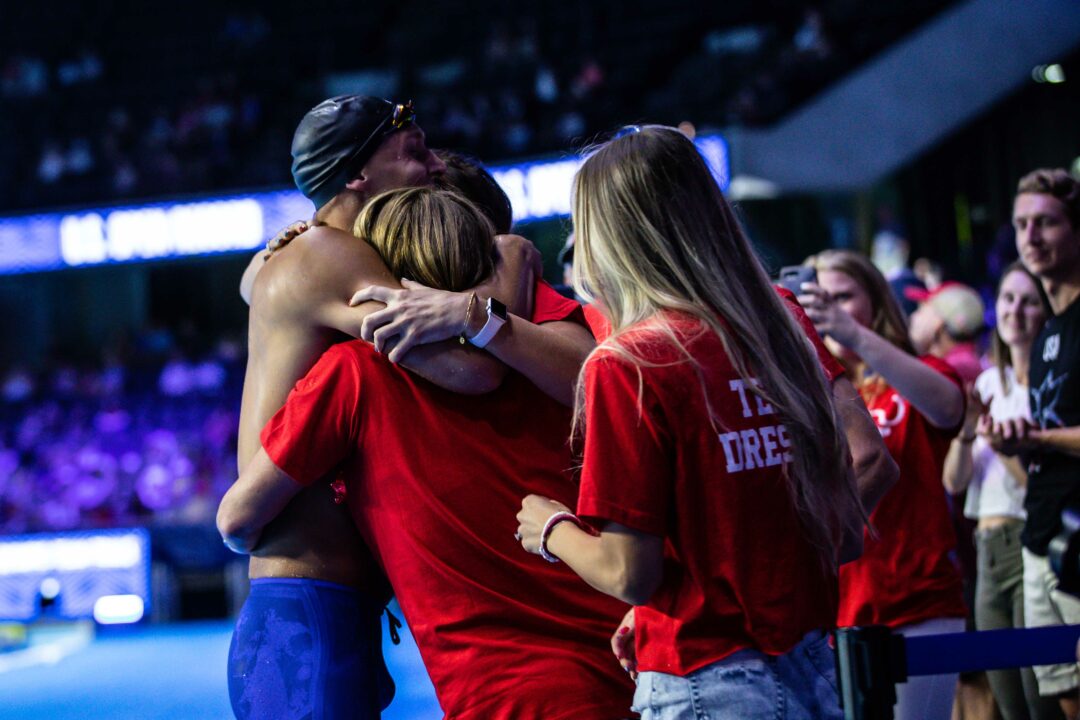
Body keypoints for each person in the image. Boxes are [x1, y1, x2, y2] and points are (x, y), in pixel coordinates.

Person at [229, 95, 591, 719]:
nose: (431, 166)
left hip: (319, 609)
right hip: (308, 607)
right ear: (354, 176)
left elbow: (255, 279)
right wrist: (508, 264)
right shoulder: (327, 256)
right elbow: (472, 368)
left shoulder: (304, 253)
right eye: (414, 152)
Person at [516, 125, 865, 719]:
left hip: (706, 679)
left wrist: (552, 530)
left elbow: (630, 572)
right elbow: (843, 524)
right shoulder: (776, 333)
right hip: (814, 665)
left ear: (613, 236)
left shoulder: (629, 363)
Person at [801, 249, 968, 720]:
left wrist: (852, 333)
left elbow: (948, 408)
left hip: (918, 598)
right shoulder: (809, 392)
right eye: (818, 298)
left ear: (875, 299)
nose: (828, 308)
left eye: (843, 297)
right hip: (834, 610)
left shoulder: (920, 372)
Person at [942, 261, 1059, 720]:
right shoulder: (989, 382)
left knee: (1041, 698)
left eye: (1029, 300)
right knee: (1008, 702)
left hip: (1030, 546)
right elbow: (954, 481)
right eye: (1009, 299)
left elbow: (1046, 491)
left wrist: (1005, 448)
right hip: (986, 549)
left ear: (1046, 313)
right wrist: (970, 431)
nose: (1016, 310)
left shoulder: (1051, 391)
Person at [994, 168, 1080, 720]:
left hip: (1077, 536)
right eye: (1022, 224)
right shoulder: (1050, 329)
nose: (1031, 236)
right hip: (1041, 533)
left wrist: (1037, 436)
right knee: (1060, 700)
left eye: (1046, 222)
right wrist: (1016, 443)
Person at [907, 281, 986, 385]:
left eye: (921, 310)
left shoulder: (957, 366)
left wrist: (915, 348)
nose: (913, 316)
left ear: (938, 321)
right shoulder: (958, 360)